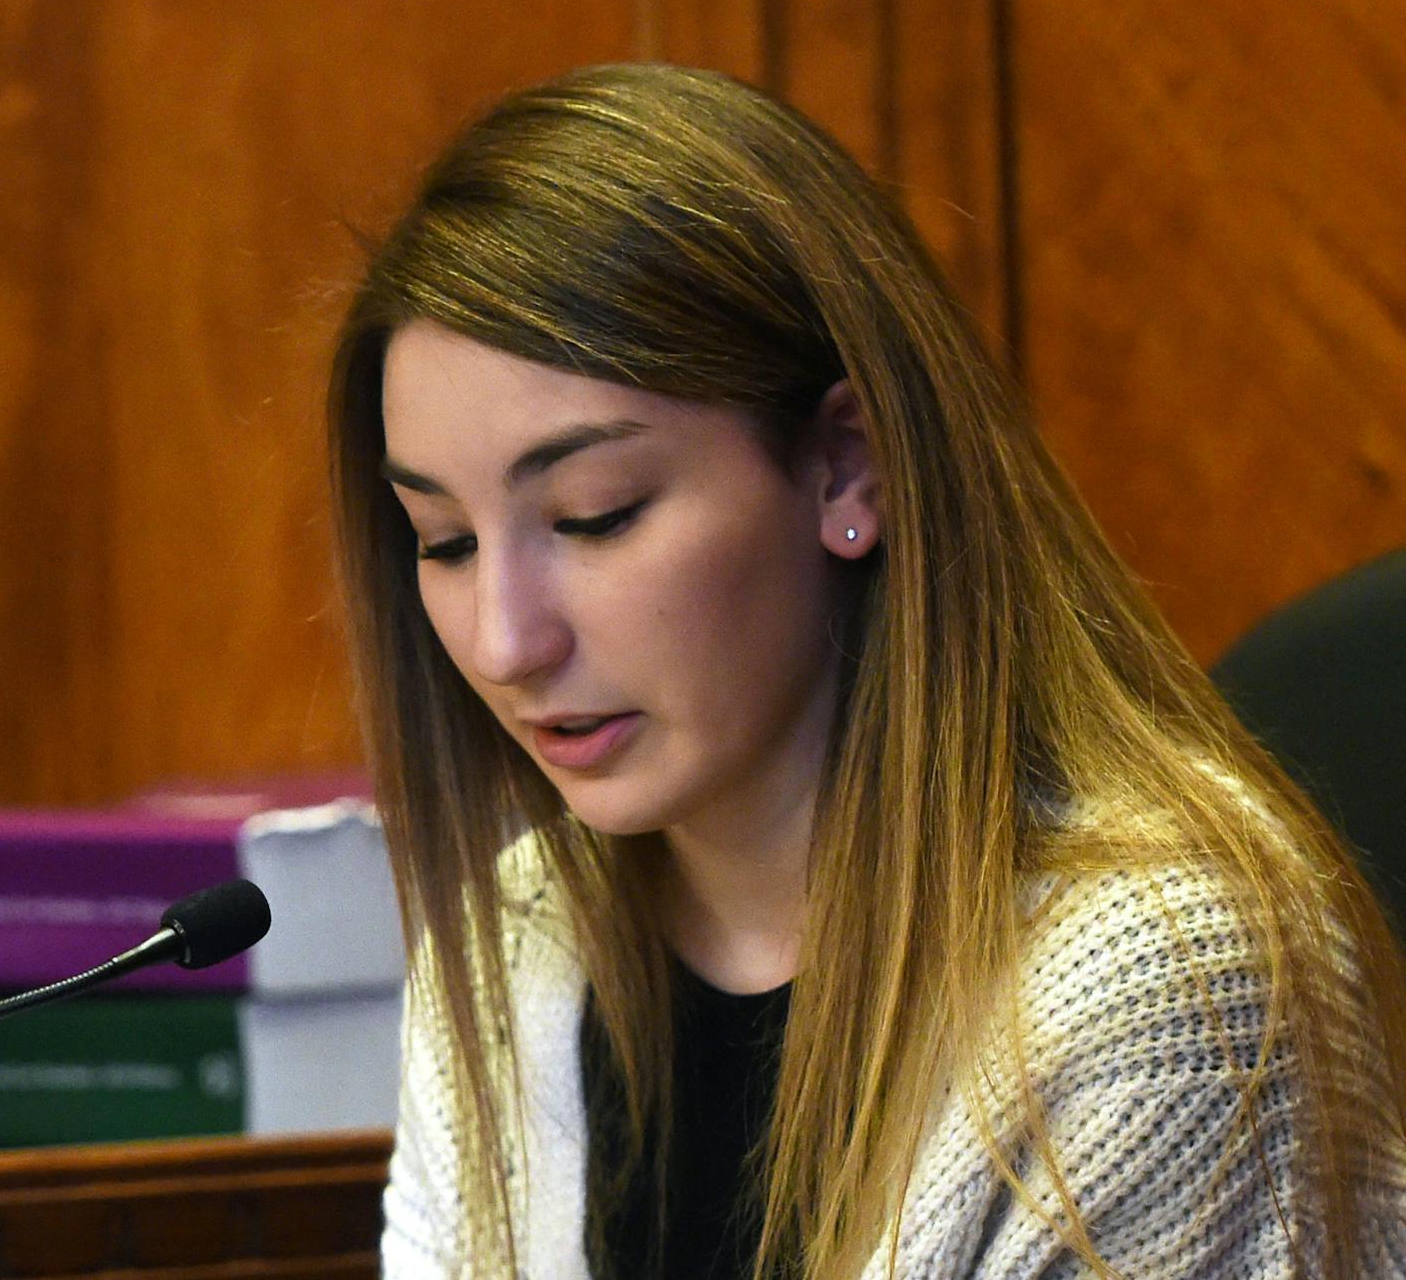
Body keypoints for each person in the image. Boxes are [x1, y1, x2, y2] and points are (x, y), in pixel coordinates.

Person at [327, 63, 1406, 1280]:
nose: (501, 640)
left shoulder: (1158, 982)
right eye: (446, 543)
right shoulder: (521, 932)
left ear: (847, 468)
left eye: (593, 515)